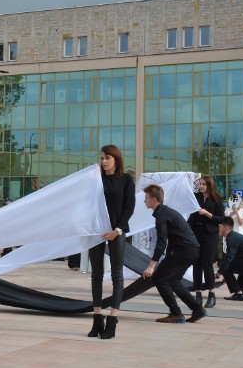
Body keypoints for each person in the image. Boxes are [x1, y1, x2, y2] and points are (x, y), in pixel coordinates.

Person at [88, 145, 135, 339]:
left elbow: (129, 207)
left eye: (107, 158)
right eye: (102, 158)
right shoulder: (96, 180)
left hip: (117, 231)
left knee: (117, 274)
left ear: (116, 158)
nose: (104, 161)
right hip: (96, 232)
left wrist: (117, 230)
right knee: (96, 275)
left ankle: (113, 320)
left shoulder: (126, 180)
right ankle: (97, 318)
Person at [142, 184, 206, 324]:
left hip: (184, 250)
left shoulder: (161, 216)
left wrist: (151, 266)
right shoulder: (166, 212)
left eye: (146, 198)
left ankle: (176, 313)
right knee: (173, 280)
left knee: (159, 278)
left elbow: (161, 243)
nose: (144, 201)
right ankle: (197, 309)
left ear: (154, 200)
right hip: (191, 250)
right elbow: (172, 238)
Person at [188, 176, 224, 308]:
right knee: (196, 263)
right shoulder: (196, 197)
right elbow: (191, 214)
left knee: (207, 264)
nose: (201, 186)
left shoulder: (217, 199)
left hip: (210, 235)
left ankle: (211, 294)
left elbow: (221, 219)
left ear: (209, 185)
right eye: (200, 184)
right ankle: (198, 294)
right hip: (196, 233)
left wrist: (207, 214)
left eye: (204, 184)